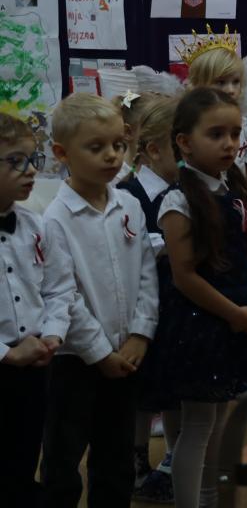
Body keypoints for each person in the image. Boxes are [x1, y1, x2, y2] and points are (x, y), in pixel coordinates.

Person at [139, 87, 247, 508]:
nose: (229, 144)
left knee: (219, 420)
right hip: (201, 326)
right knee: (197, 426)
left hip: (236, 319)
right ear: (184, 141)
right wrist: (235, 313)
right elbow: (184, 277)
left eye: (234, 134)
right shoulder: (178, 201)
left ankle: (211, 497)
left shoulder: (234, 192)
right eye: (216, 134)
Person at [41, 94, 159, 508]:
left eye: (118, 145)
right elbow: (63, 295)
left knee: (116, 457)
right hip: (75, 361)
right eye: (96, 147)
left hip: (126, 355)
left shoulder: (129, 204)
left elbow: (146, 272)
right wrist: (99, 352)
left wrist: (141, 333)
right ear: (62, 153)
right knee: (63, 459)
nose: (111, 155)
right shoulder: (54, 220)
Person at [0, 113, 72, 507]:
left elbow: (58, 285)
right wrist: (6, 353)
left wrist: (52, 333)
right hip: (7, 359)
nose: (30, 170)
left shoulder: (36, 225)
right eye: (16, 161)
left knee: (24, 456)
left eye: (33, 159)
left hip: (34, 367)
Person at [117, 95, 181, 503]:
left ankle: (174, 461)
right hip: (141, 307)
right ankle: (136, 462)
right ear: (154, 149)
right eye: (180, 147)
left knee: (174, 389)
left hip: (176, 304)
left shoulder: (182, 189)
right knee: (140, 392)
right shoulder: (128, 193)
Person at [185, 35, 247, 235]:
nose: (230, 90)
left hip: (237, 216)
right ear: (198, 85)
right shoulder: (187, 128)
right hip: (197, 213)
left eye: (235, 82)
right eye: (221, 82)